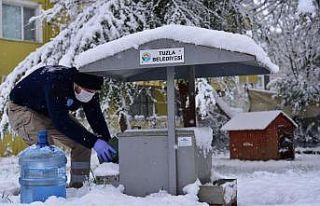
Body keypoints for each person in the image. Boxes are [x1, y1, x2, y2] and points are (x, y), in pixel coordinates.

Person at [7, 65, 117, 188]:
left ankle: (79, 187)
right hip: (23, 109)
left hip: (50, 112)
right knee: (45, 148)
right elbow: (61, 122)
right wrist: (94, 141)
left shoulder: (90, 86)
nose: (89, 95)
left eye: (93, 92)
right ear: (75, 84)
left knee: (83, 143)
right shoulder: (57, 81)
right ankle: (45, 190)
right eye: (87, 91)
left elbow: (95, 116)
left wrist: (105, 140)